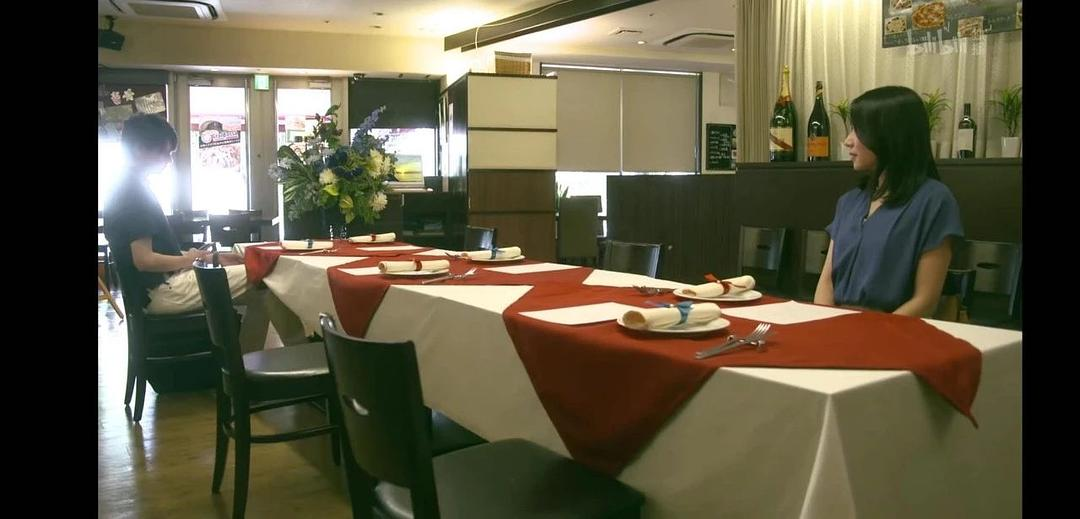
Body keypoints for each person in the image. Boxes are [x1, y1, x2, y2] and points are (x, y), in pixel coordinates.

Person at [103, 114, 294, 348]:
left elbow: (154, 255)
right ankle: (294, 352)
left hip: (154, 289)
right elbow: (144, 261)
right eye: (165, 152)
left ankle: (245, 361)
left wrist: (210, 258)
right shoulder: (133, 192)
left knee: (260, 287)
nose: (168, 160)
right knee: (266, 276)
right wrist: (191, 259)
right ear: (140, 149)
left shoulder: (124, 186)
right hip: (160, 292)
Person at [814, 86, 963, 317]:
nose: (847, 141)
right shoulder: (849, 202)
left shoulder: (934, 201)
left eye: (859, 130)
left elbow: (925, 300)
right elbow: (826, 283)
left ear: (890, 135)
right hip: (837, 326)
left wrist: (875, 334)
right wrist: (824, 325)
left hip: (895, 330)